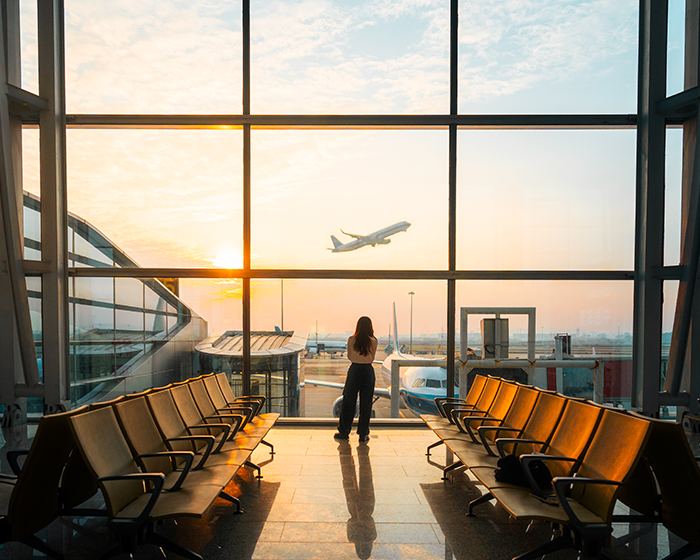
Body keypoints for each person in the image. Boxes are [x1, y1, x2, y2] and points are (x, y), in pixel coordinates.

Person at [335, 316, 378, 442]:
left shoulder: (351, 339)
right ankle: (363, 433)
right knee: (366, 404)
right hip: (367, 371)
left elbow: (349, 356)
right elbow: (372, 358)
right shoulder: (373, 341)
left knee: (348, 402)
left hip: (354, 370)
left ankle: (344, 431)